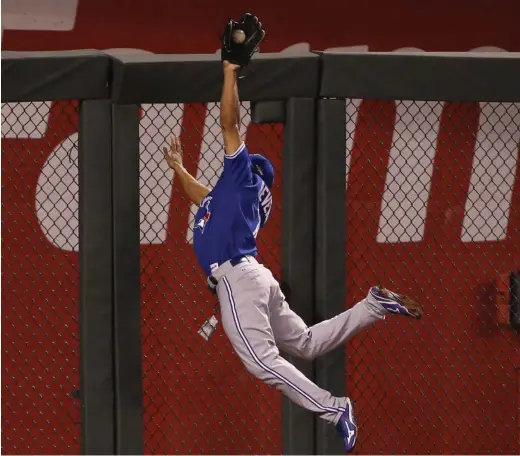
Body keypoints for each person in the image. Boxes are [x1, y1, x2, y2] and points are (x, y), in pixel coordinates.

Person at [162, 59, 424, 453]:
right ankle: (373, 306)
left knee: (261, 362)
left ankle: (336, 410)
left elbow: (229, 124)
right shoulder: (234, 198)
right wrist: (179, 168)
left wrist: (230, 72)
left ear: (248, 173)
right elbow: (197, 193)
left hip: (236, 278)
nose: (230, 163)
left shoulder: (241, 181)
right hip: (254, 277)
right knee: (302, 343)